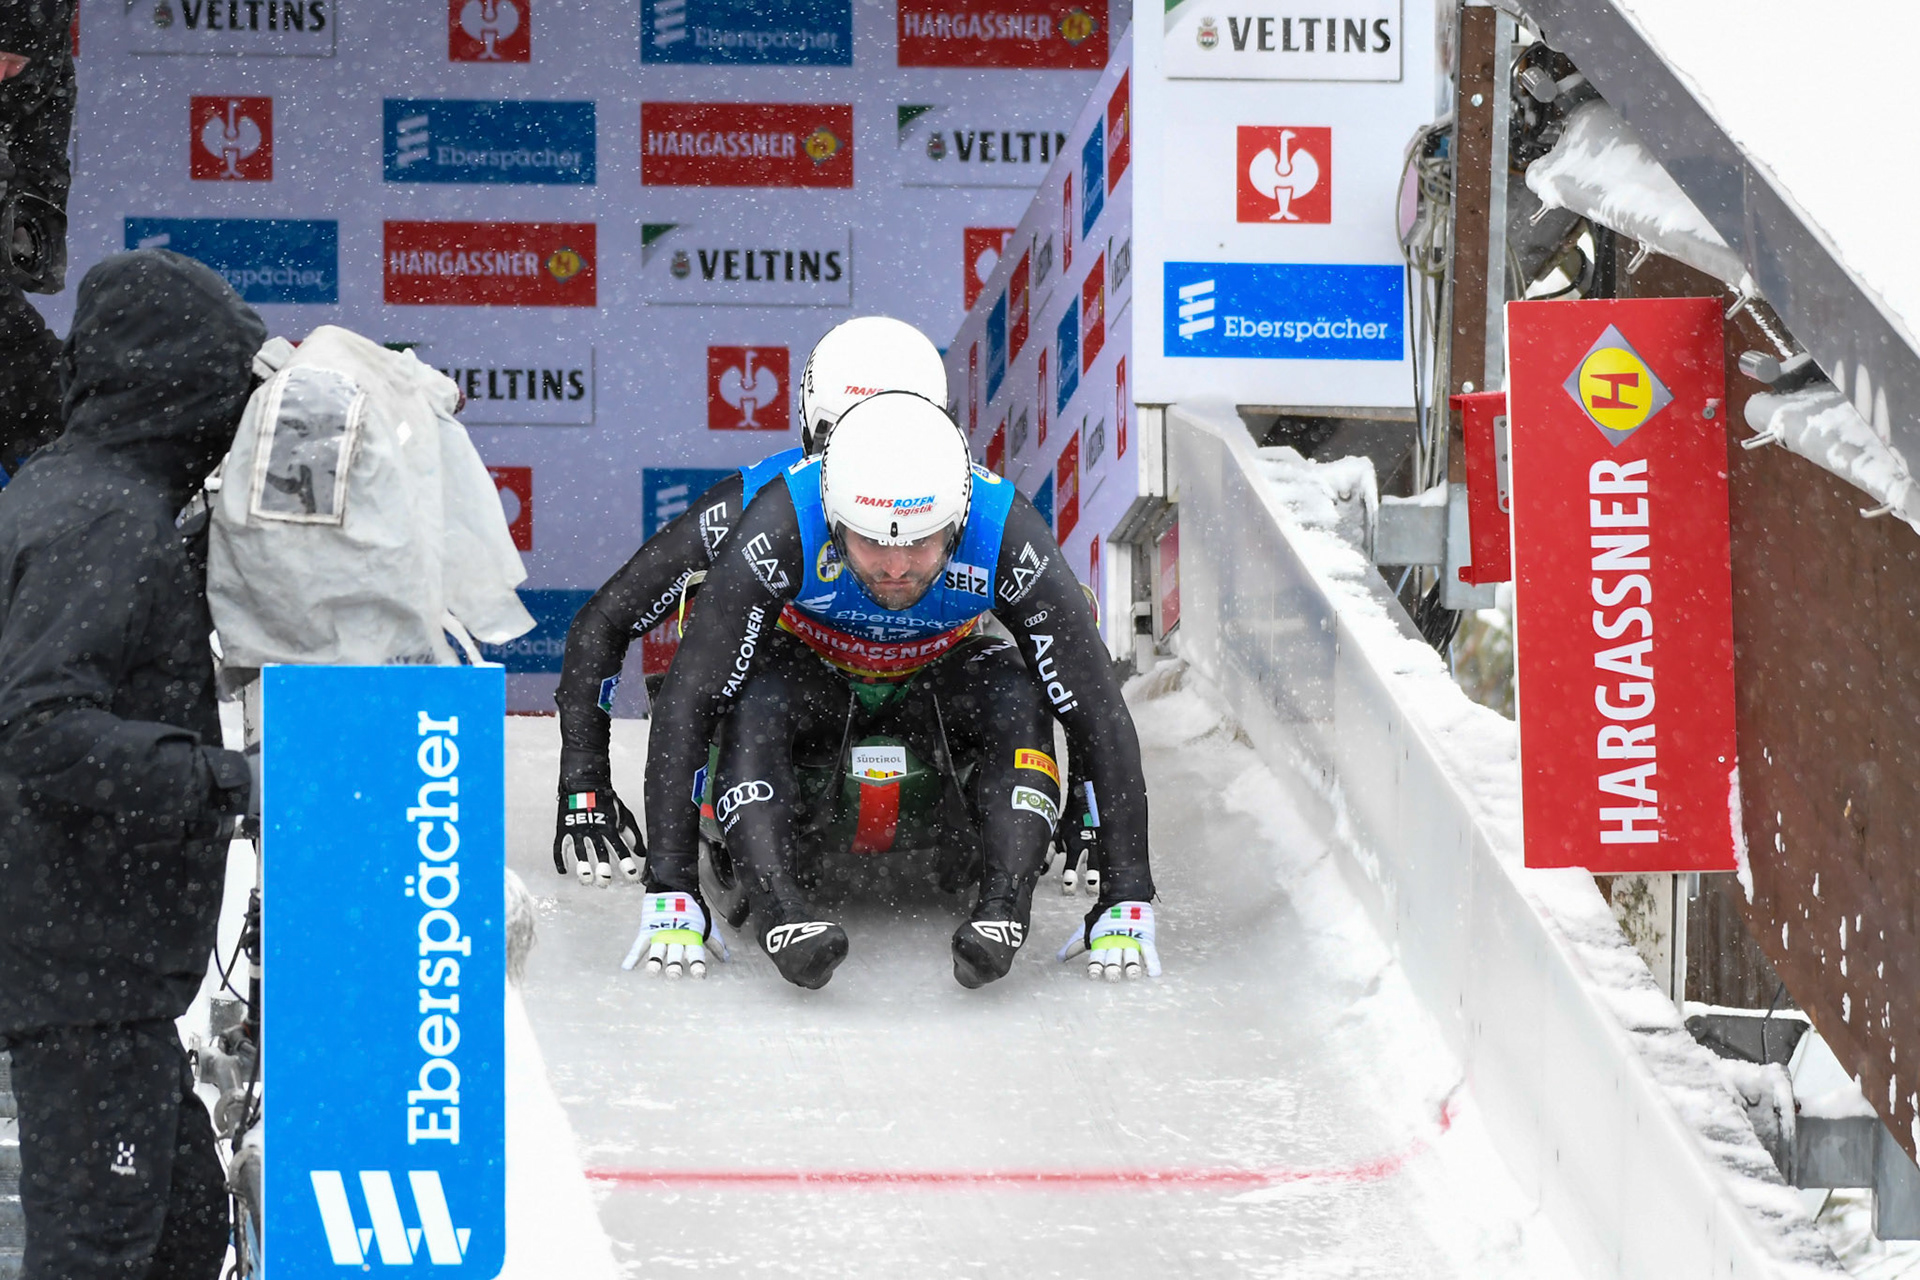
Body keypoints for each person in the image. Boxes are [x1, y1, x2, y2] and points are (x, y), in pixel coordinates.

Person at [629, 391, 1162, 990]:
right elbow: (687, 698)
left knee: (1019, 687)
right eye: (872, 543)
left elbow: (1098, 712)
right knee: (751, 693)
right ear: (831, 522)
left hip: (940, 678)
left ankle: (1004, 908)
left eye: (920, 543)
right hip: (813, 677)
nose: (895, 566)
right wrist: (670, 888)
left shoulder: (1007, 528)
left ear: (959, 524)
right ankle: (782, 910)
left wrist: (1126, 894)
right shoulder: (782, 521)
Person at [0, 249, 263, 1280]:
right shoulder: (101, 515)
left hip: (101, 974)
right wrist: (231, 784)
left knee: (181, 1237)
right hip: (83, 973)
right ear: (178, 387)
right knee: (99, 1254)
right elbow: (38, 727)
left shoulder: (86, 495)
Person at [550, 315, 948, 886]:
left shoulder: (979, 510)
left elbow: (1069, 665)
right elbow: (605, 621)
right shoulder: (756, 502)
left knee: (1001, 687)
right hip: (792, 720)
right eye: (851, 437)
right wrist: (584, 783)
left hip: (927, 717)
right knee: (737, 684)